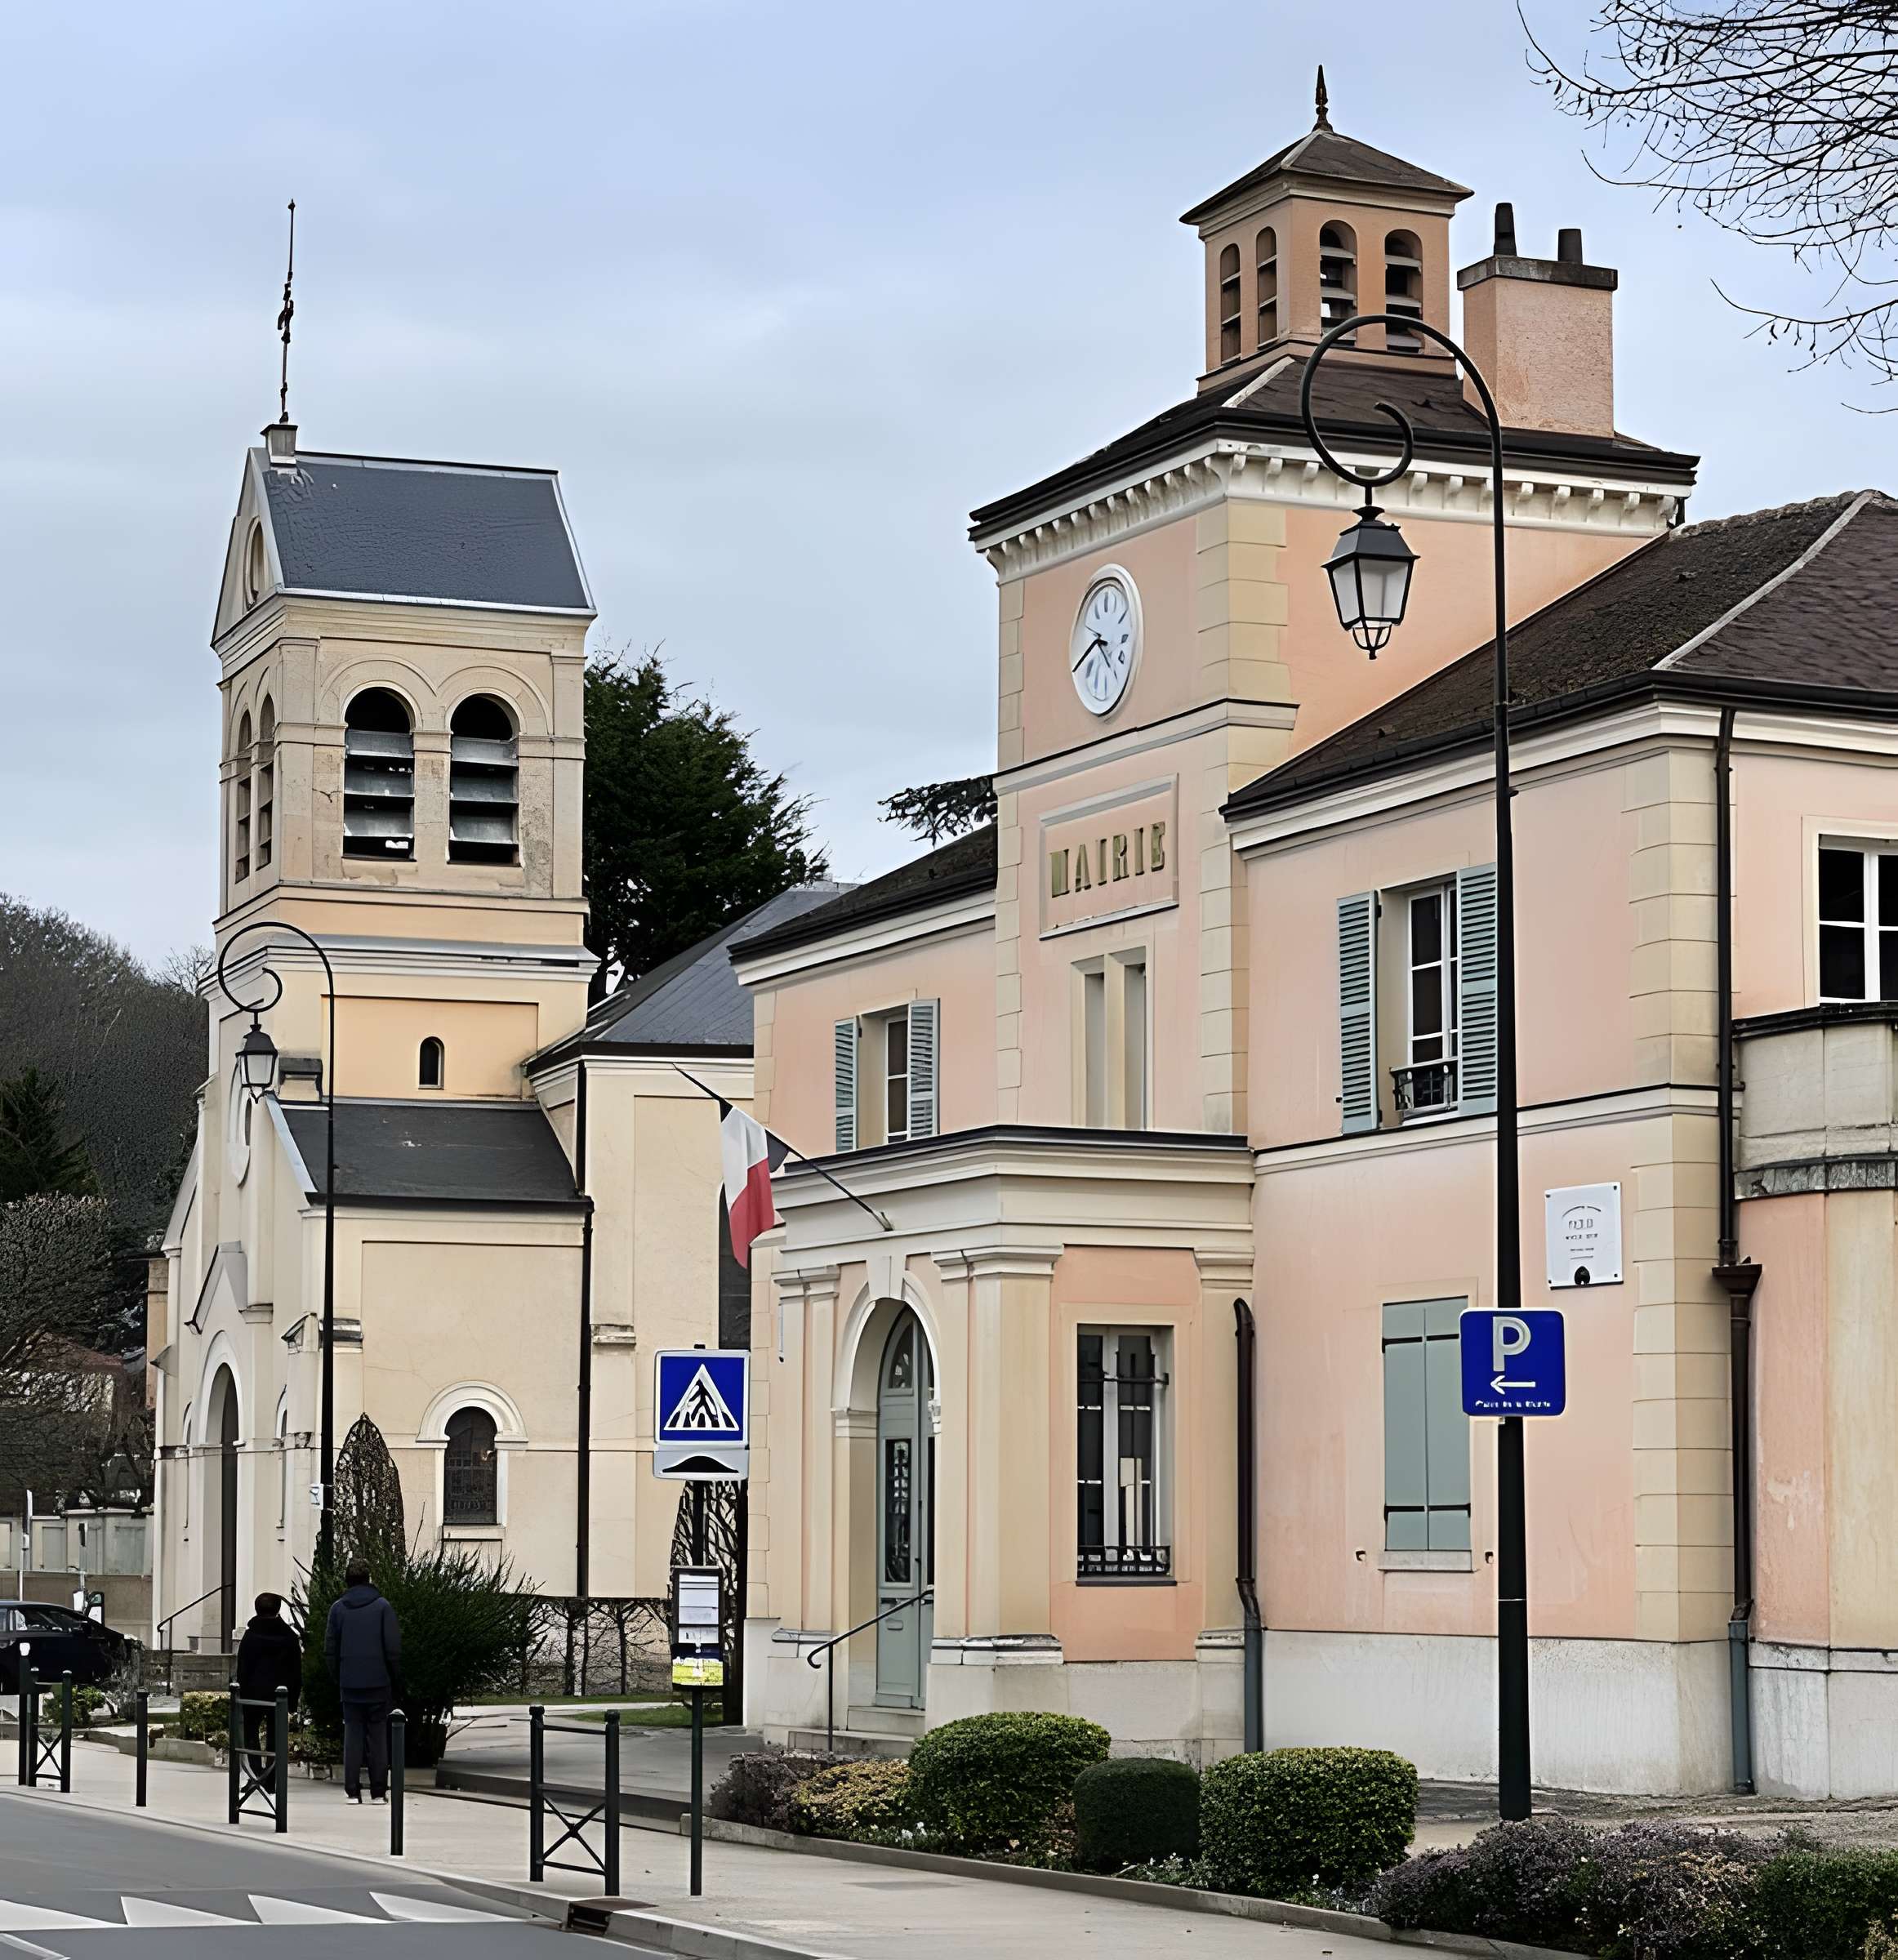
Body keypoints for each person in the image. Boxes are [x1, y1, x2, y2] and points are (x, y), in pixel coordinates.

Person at [323, 1557, 402, 1804]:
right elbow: (392, 1648)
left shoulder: (338, 1608)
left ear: (347, 1580)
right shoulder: (382, 1607)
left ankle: (352, 1790)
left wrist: (339, 1676)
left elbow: (330, 1649)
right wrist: (395, 1679)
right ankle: (379, 1791)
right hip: (378, 1680)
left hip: (350, 1680)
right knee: (378, 1736)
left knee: (353, 1735)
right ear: (369, 1579)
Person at [234, 1592, 303, 1780]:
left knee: (251, 1733)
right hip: (279, 1695)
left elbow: (243, 1668)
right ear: (278, 1610)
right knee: (276, 1735)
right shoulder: (289, 1637)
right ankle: (272, 1777)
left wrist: (240, 1693)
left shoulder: (250, 1636)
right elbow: (296, 1670)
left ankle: (256, 1774)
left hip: (253, 1693)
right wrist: (294, 1700)